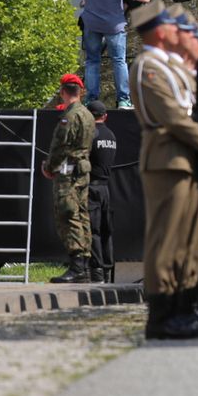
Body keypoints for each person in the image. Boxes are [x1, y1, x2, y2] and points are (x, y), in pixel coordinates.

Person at [130, 0, 198, 339]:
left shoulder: (170, 68)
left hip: (184, 158)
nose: (180, 32)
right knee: (167, 238)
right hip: (166, 158)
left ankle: (181, 305)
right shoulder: (148, 66)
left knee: (185, 238)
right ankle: (162, 314)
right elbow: (174, 117)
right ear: (160, 31)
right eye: (174, 27)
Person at [77, 0, 150, 108]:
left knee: (92, 61)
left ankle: (91, 99)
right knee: (118, 60)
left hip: (91, 23)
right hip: (113, 24)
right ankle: (123, 100)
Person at [45, 79, 96, 284]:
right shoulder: (89, 115)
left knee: (68, 215)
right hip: (83, 170)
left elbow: (60, 146)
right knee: (82, 215)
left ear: (64, 92)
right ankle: (83, 264)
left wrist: (49, 167)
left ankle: (77, 267)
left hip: (69, 171)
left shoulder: (70, 116)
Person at [84, 100, 117, 283]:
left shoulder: (91, 134)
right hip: (106, 188)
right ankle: (107, 271)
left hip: (92, 188)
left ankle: (96, 272)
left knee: (93, 230)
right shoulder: (111, 135)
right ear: (105, 116)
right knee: (106, 230)